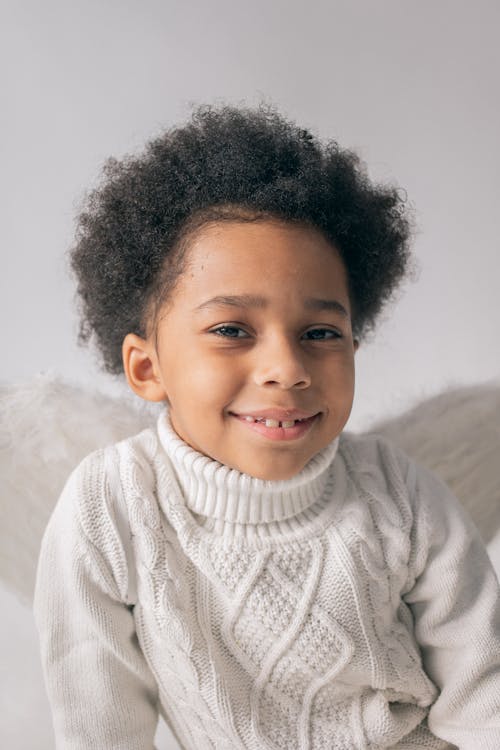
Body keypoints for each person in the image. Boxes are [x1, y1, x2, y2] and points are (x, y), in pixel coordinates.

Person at [33, 104, 500, 749]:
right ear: (147, 367)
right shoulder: (111, 506)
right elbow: (100, 728)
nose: (286, 367)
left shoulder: (404, 497)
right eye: (230, 330)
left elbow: (484, 698)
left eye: (320, 333)